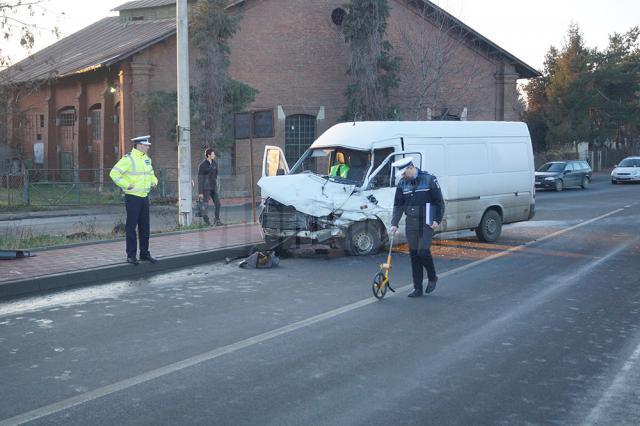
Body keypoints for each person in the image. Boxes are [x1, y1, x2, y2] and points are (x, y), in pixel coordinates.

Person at [389, 157, 444, 297]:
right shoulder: (402, 183)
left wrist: (437, 219)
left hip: (427, 219)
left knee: (423, 251)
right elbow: (398, 204)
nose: (402, 176)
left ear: (410, 168)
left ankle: (432, 277)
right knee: (414, 254)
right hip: (411, 222)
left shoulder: (429, 179)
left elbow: (439, 202)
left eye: (403, 173)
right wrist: (394, 223)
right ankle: (417, 288)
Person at [109, 135, 159, 265]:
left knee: (145, 227)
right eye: (146, 145)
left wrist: (154, 181)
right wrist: (126, 185)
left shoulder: (147, 159)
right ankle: (131, 256)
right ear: (139, 145)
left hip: (144, 197)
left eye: (148, 145)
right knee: (131, 227)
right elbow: (114, 173)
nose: (148, 147)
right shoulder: (129, 159)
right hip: (132, 197)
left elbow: (151, 173)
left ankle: (144, 254)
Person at [197, 148, 223, 226]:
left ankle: (217, 220)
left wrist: (216, 185)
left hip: (213, 187)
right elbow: (200, 179)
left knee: (218, 204)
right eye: (213, 154)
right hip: (205, 188)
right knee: (205, 205)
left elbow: (216, 175)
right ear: (208, 155)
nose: (214, 155)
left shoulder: (215, 164)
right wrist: (200, 192)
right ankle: (206, 222)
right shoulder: (202, 165)